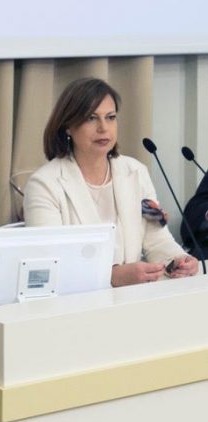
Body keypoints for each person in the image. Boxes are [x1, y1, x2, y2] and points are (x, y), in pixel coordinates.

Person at [23, 77, 198, 287]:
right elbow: (47, 264)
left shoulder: (135, 172)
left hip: (133, 297)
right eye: (91, 118)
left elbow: (157, 239)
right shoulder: (44, 184)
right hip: (77, 301)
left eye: (111, 117)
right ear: (68, 126)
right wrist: (111, 277)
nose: (103, 128)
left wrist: (178, 260)